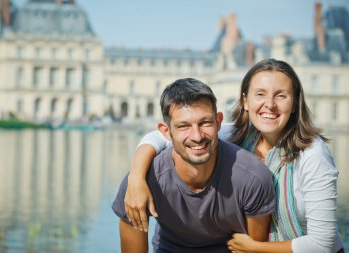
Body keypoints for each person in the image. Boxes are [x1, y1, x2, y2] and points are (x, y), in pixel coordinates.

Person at [124, 59, 345, 253]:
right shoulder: (233, 133)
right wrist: (135, 178)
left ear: (295, 103)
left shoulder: (313, 154)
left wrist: (255, 248)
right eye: (260, 94)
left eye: (281, 95)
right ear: (245, 101)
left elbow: (323, 243)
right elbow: (162, 137)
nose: (269, 104)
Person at [112, 78, 276, 252]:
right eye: (183, 126)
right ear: (166, 131)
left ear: (219, 122)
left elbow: (255, 249)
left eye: (205, 123)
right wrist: (136, 177)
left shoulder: (252, 177)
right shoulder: (142, 183)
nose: (197, 136)